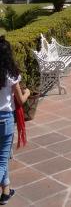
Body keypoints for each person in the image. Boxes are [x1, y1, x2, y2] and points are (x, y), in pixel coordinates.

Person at [0, 36, 30, 205]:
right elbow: (21, 100)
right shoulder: (11, 74)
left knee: (1, 158)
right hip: (4, 120)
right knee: (2, 159)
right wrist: (28, 92)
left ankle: (6, 192)